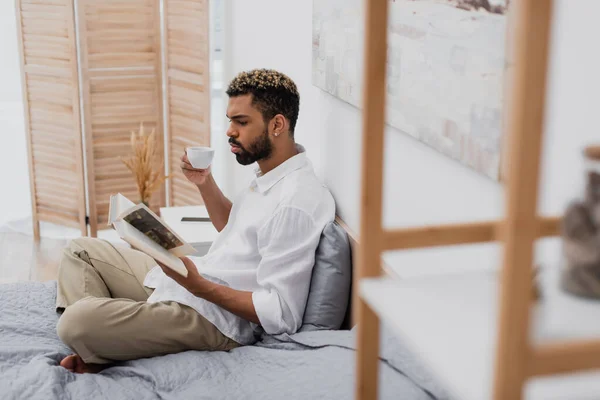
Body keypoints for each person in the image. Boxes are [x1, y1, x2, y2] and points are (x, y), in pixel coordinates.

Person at [56, 69, 335, 373]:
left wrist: (199, 286)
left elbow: (282, 314)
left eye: (241, 122)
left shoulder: (295, 202)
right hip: (194, 282)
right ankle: (106, 345)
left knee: (76, 321)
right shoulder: (270, 175)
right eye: (230, 120)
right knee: (79, 250)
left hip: (216, 319)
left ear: (277, 124)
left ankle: (101, 345)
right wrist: (205, 183)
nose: (230, 131)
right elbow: (238, 230)